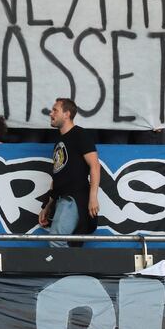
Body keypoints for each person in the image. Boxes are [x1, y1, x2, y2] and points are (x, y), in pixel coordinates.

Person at [39, 98, 101, 247]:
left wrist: (93, 197)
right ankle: (72, 270)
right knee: (68, 244)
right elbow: (58, 176)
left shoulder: (80, 134)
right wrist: (47, 206)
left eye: (55, 110)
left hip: (74, 198)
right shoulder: (59, 141)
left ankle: (62, 270)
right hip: (61, 199)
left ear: (66, 114)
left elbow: (95, 166)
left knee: (57, 241)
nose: (51, 113)